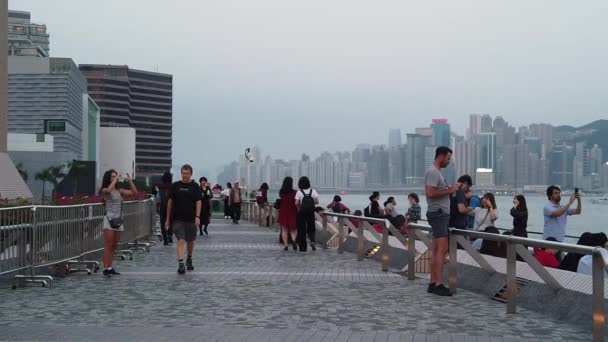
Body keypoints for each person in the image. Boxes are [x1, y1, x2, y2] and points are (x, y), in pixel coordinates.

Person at [425, 146, 461, 296]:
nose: (449, 161)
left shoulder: (436, 172)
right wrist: (450, 190)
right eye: (448, 158)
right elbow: (431, 192)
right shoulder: (433, 172)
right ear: (441, 156)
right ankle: (438, 284)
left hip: (438, 214)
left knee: (436, 250)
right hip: (439, 214)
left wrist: (450, 191)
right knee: (442, 250)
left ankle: (433, 282)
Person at [100, 170, 138, 277]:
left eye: (115, 176)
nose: (115, 178)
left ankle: (110, 267)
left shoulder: (119, 191)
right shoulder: (105, 190)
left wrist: (129, 180)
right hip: (109, 219)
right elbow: (108, 190)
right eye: (112, 176)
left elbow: (134, 193)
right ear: (108, 178)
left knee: (114, 245)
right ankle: (106, 268)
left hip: (118, 220)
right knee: (108, 244)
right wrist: (116, 179)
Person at [165, 164, 202, 275]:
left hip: (191, 218)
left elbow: (198, 201)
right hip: (178, 219)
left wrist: (198, 216)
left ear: (191, 174)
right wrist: (167, 219)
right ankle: (181, 263)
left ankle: (189, 258)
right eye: (183, 173)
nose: (184, 175)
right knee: (180, 240)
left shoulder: (195, 186)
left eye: (187, 173)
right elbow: (170, 203)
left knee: (190, 240)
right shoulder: (175, 186)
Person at [295, 176, 320, 252]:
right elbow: (317, 202)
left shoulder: (299, 192)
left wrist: (299, 208)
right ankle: (312, 241)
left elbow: (296, 203)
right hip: (311, 212)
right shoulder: (313, 191)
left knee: (301, 229)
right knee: (311, 227)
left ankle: (303, 247)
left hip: (302, 212)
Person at [277, 177, 298, 251]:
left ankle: (285, 245)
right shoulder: (295, 192)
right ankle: (294, 240)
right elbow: (296, 202)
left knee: (284, 229)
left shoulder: (281, 192)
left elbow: (281, 199)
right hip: (292, 211)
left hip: (283, 211)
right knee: (293, 229)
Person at [157, 172, 173, 246]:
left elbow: (156, 195)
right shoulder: (173, 186)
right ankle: (170, 236)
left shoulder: (159, 186)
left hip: (162, 206)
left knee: (162, 223)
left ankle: (165, 239)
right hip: (171, 207)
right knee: (171, 222)